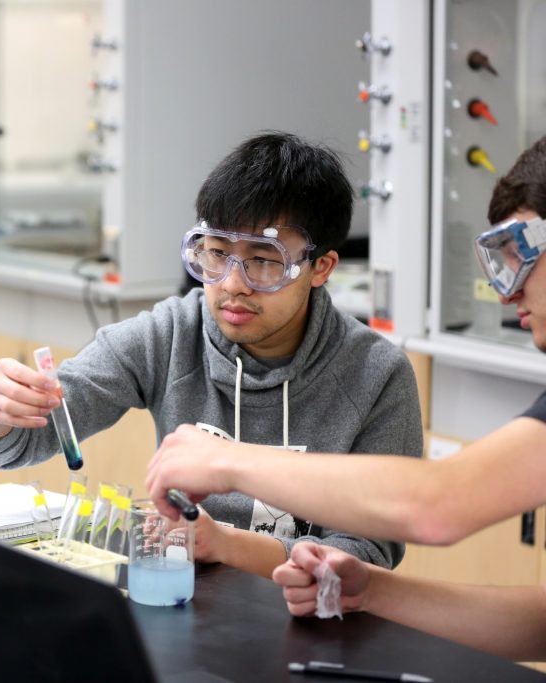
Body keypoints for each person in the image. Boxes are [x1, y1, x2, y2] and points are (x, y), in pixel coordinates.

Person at [146, 137, 546, 660]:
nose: (507, 292)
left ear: (320, 268)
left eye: (523, 258)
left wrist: (228, 461)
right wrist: (371, 591)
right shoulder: (176, 327)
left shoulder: (375, 369)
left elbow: (437, 505)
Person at [0, 131, 424, 579]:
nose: (232, 284)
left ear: (320, 267)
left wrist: (226, 545)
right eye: (216, 254)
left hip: (312, 620)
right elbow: (17, 444)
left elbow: (367, 555)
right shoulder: (169, 335)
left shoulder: (376, 374)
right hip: (183, 598)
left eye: (263, 261)